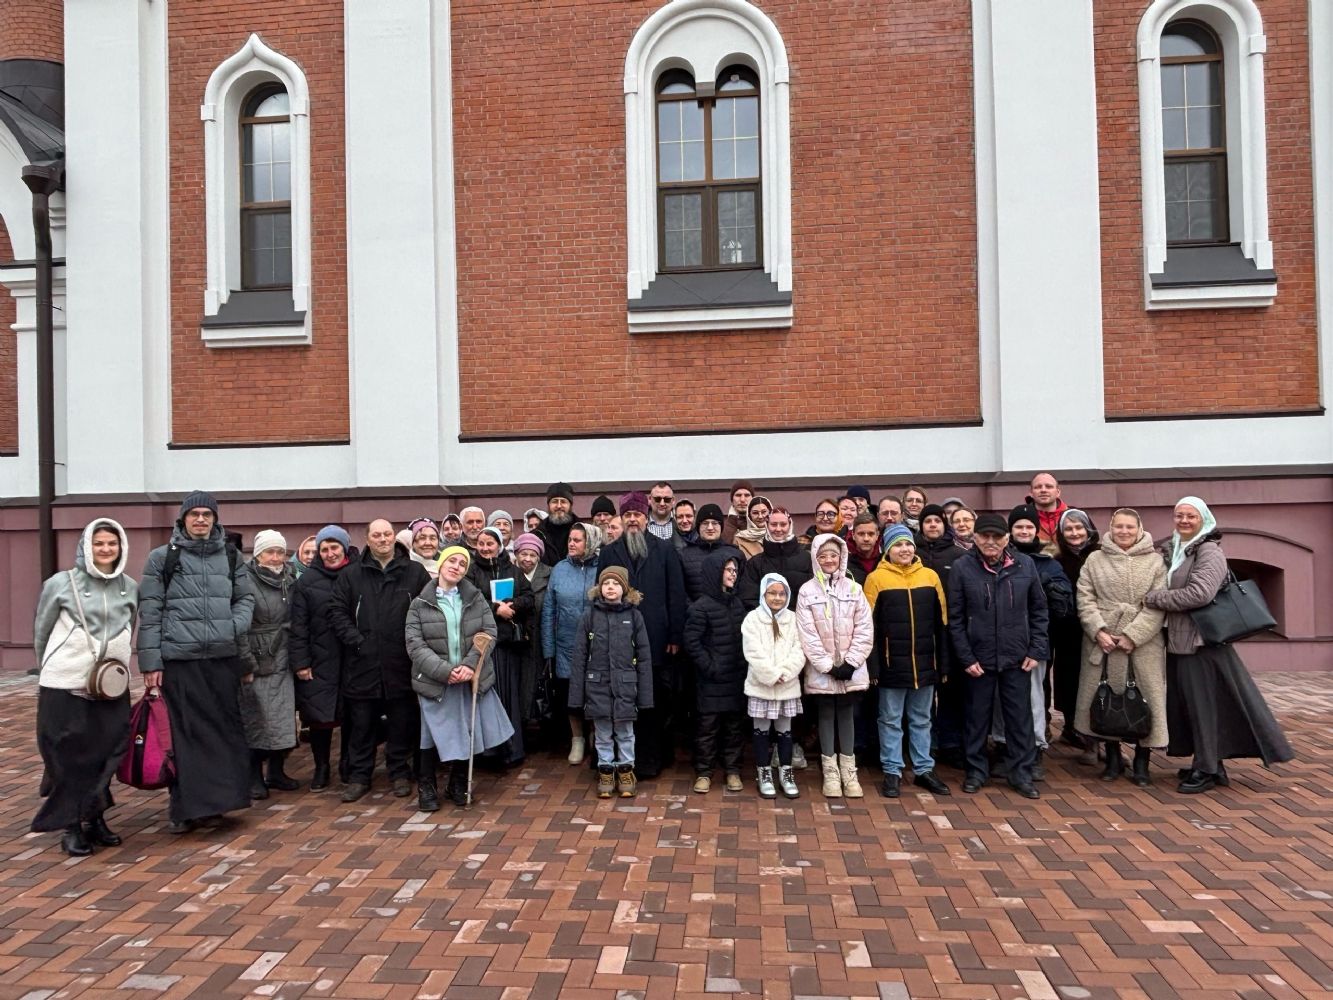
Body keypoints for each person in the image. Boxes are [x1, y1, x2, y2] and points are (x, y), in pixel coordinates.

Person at [1143, 497, 1293, 793]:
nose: (1184, 521)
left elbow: (1199, 593)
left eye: (1191, 516)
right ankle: (1211, 762)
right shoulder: (1176, 549)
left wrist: (1153, 598)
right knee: (1194, 705)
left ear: (1205, 519)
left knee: (1203, 706)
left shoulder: (1208, 551)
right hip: (1180, 640)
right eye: (1179, 515)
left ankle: (1208, 769)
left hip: (1201, 642)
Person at [138, 491, 255, 832]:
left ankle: (217, 804)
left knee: (221, 733)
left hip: (221, 658)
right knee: (183, 737)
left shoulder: (230, 556)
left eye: (207, 514)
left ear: (215, 519)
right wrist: (151, 663)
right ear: (183, 519)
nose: (201, 519)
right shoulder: (162, 558)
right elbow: (151, 613)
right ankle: (186, 809)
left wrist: (230, 627)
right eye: (194, 514)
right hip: (180, 660)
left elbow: (245, 598)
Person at [31, 519, 138, 855]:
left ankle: (95, 817)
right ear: (86, 546)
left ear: (121, 547)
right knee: (68, 756)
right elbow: (42, 631)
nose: (106, 549)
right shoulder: (61, 584)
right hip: (65, 685)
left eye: (112, 543)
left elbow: (131, 627)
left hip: (109, 686)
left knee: (106, 752)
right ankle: (71, 825)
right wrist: (53, 669)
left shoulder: (130, 587)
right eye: (98, 543)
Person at [326, 519, 431, 802]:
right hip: (362, 663)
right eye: (377, 535)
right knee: (361, 726)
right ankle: (359, 776)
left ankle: (399, 773)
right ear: (368, 539)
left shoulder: (415, 572)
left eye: (387, 534)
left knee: (401, 723)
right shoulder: (351, 574)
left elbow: (429, 610)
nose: (383, 539)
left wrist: (413, 644)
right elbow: (336, 611)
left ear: (394, 537)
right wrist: (356, 640)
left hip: (401, 662)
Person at [947, 513, 1047, 799]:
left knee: (1020, 720)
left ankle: (1021, 773)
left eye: (997, 537)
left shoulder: (1024, 565)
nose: (990, 542)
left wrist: (1036, 649)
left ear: (1007, 539)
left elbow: (1039, 610)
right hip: (978, 658)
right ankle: (976, 771)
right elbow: (955, 618)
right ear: (975, 538)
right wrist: (966, 657)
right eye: (985, 536)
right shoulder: (962, 567)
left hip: (1017, 656)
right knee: (976, 718)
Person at [405, 546, 509, 809]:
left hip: (467, 677)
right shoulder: (419, 604)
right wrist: (444, 671)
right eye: (451, 561)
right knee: (429, 735)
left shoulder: (475, 598)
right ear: (440, 564)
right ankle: (427, 787)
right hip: (435, 681)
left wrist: (469, 665)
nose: (456, 567)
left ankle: (458, 783)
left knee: (466, 730)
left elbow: (488, 633)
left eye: (462, 564)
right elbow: (415, 644)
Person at [1073, 508, 1168, 787]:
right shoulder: (1095, 559)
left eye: (1129, 527)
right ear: (1110, 528)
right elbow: (1085, 597)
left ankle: (1142, 760)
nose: (1124, 531)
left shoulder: (1155, 562)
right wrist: (1098, 630)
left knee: (1146, 698)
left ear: (1139, 529)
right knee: (1106, 697)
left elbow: (1158, 604)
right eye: (1118, 527)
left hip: (1143, 645)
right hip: (1103, 640)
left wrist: (1133, 635)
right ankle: (1112, 757)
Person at [598, 491, 688, 779]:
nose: (633, 520)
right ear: (622, 519)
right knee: (624, 701)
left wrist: (675, 635)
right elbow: (600, 596)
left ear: (646, 517)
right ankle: (623, 760)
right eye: (628, 515)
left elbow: (676, 594)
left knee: (655, 699)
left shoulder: (665, 550)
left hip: (657, 638)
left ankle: (653, 758)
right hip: (619, 640)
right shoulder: (609, 553)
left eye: (637, 514)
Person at [863, 525, 951, 798]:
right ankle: (892, 770)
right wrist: (874, 667)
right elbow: (868, 628)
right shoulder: (876, 579)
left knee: (922, 719)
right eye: (898, 545)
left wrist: (943, 664)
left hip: (925, 665)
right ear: (888, 550)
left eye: (908, 544)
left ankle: (924, 769)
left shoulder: (930, 576)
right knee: (890, 719)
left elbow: (942, 624)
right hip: (891, 666)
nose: (904, 549)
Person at [997, 504, 1074, 781]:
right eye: (1019, 526)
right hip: (1001, 641)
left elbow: (1062, 605)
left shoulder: (1048, 562)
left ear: (1036, 530)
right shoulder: (998, 559)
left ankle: (1035, 748)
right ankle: (1005, 747)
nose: (1024, 531)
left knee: (1033, 697)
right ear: (1010, 530)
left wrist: (1050, 589)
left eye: (1029, 526)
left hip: (1034, 642)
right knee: (1002, 700)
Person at [795, 534, 873, 798]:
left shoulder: (854, 589)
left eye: (833, 555)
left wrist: (851, 662)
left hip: (851, 668)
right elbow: (807, 633)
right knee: (826, 714)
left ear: (842, 557)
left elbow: (864, 628)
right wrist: (827, 665)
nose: (829, 560)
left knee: (847, 714)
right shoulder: (807, 591)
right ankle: (830, 770)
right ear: (815, 559)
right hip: (823, 670)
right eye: (823, 556)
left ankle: (849, 771)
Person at [570, 566, 653, 798]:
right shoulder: (589, 617)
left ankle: (626, 771)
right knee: (603, 733)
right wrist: (577, 696)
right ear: (599, 587)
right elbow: (579, 656)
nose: (610, 587)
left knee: (625, 732)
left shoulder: (634, 616)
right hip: (597, 686)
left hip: (626, 686)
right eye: (606, 583)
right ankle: (606, 771)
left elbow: (644, 657)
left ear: (624, 589)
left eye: (616, 584)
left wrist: (645, 695)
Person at [290, 524, 355, 790]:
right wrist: (301, 662)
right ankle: (322, 767)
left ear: (344, 548)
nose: (330, 553)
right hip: (319, 658)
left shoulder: (357, 574)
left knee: (352, 714)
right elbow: (298, 625)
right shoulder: (307, 581)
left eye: (334, 547)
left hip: (351, 657)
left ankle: (348, 764)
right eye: (324, 549)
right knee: (320, 717)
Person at [240, 530, 299, 800]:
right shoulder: (245, 580)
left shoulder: (290, 578)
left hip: (285, 655)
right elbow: (241, 626)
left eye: (280, 552)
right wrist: (246, 663)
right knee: (258, 719)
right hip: (260, 656)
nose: (275, 558)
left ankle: (277, 771)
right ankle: (253, 775)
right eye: (269, 552)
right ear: (258, 554)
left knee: (283, 718)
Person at [466, 526, 534, 766]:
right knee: (486, 696)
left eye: (490, 544)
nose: (485, 548)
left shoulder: (513, 570)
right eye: (481, 544)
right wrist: (496, 609)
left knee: (509, 698)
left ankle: (511, 750)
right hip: (483, 645)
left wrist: (512, 605)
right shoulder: (471, 571)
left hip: (508, 645)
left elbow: (529, 598)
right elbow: (468, 599)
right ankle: (487, 753)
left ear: (499, 545)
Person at [684, 552, 749, 793]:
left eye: (735, 570)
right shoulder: (701, 607)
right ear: (715, 572)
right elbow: (692, 642)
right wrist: (710, 667)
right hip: (710, 681)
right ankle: (704, 772)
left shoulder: (737, 604)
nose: (733, 574)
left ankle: (732, 770)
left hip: (735, 678)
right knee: (706, 729)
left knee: (734, 728)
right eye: (728, 570)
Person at [541, 522, 603, 763]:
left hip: (596, 644)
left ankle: (595, 735)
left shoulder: (602, 566)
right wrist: (549, 648)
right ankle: (577, 738)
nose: (571, 544)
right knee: (570, 693)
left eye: (578, 540)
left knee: (595, 692)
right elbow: (549, 610)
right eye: (570, 539)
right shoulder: (560, 569)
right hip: (566, 645)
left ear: (591, 542)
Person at [741, 574, 804, 799]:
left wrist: (786, 672)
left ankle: (786, 772)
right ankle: (764, 772)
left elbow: (800, 649)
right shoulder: (752, 619)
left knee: (785, 731)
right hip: (762, 685)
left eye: (781, 594)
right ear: (763, 594)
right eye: (772, 593)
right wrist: (771, 674)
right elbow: (752, 651)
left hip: (787, 685)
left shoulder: (794, 619)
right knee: (761, 730)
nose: (777, 598)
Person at [1053, 509, 1099, 750]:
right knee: (1070, 681)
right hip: (1067, 631)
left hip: (1097, 630)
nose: (1074, 533)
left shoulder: (1100, 556)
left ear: (1088, 529)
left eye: (1079, 527)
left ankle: (1097, 736)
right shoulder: (1058, 562)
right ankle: (1072, 728)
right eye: (1068, 529)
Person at [513, 532, 550, 739]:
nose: (527, 559)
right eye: (523, 554)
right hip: (517, 639)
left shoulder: (549, 575)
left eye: (532, 555)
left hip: (540, 638)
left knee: (538, 684)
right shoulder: (509, 574)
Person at [739, 507, 813, 611]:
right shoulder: (755, 563)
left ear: (790, 525)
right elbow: (749, 598)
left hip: (801, 619)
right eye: (773, 524)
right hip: (765, 619)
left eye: (783, 524)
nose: (778, 529)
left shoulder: (807, 559)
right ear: (767, 525)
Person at [680, 504, 743, 602]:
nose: (710, 527)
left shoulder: (735, 554)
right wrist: (693, 609)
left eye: (715, 523)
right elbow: (680, 591)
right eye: (705, 523)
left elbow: (741, 589)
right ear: (698, 527)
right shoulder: (684, 555)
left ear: (721, 526)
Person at [536, 482, 579, 567]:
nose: (559, 506)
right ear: (548, 505)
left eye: (563, 501)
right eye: (554, 502)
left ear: (570, 505)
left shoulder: (583, 531)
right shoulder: (538, 534)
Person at [1027, 473, 1069, 554]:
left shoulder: (1073, 516)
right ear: (1031, 493)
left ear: (1058, 492)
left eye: (1049, 486)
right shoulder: (1022, 518)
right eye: (1038, 487)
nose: (1043, 490)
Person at [845, 512, 882, 585]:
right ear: (853, 535)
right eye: (861, 534)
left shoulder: (885, 560)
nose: (866, 539)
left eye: (871, 534)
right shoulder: (844, 562)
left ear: (877, 535)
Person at [733, 495, 771, 559]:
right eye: (755, 513)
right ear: (749, 515)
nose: (760, 516)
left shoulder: (778, 535)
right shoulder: (740, 539)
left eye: (764, 512)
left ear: (770, 512)